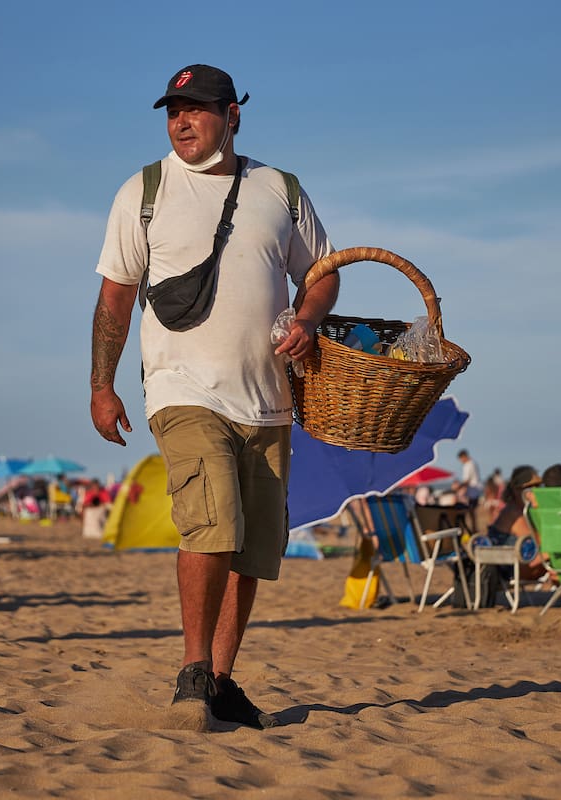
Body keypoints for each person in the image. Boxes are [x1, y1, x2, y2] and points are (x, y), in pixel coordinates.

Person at [89, 64, 338, 729]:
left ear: (232, 115)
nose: (182, 120)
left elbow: (320, 275)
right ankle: (193, 671)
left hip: (268, 398)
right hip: (182, 389)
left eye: (197, 108)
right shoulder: (143, 192)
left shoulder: (278, 189)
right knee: (214, 524)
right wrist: (101, 385)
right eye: (173, 109)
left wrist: (308, 321)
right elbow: (115, 295)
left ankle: (223, 680)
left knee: (253, 547)